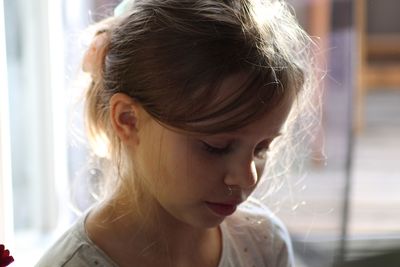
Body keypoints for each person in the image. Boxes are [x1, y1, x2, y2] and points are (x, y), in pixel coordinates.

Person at [36, 0, 316, 266]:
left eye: (261, 148)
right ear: (128, 120)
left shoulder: (263, 246)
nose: (247, 177)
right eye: (216, 146)